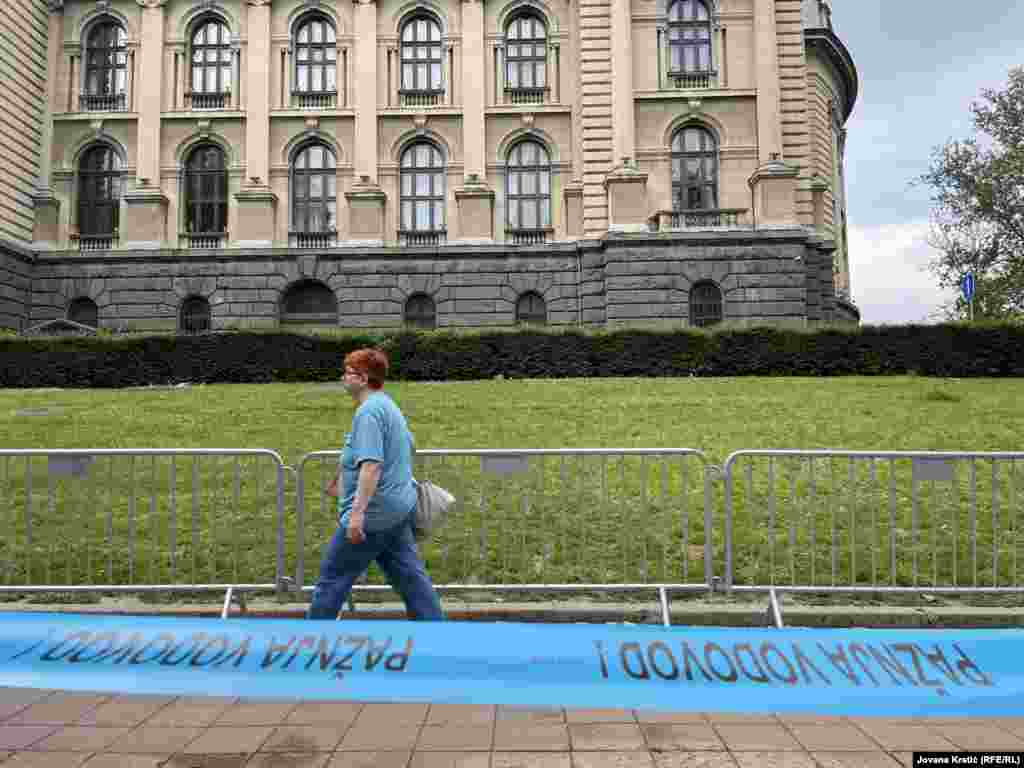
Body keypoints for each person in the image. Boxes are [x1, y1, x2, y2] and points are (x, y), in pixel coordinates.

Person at [307, 348, 445, 621]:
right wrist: (341, 479)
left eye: (348, 372)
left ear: (363, 377)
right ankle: (435, 631)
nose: (343, 378)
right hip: (397, 509)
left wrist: (357, 514)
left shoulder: (368, 413)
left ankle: (311, 640)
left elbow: (371, 465)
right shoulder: (386, 404)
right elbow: (402, 446)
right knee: (410, 578)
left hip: (374, 516)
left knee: (332, 580)